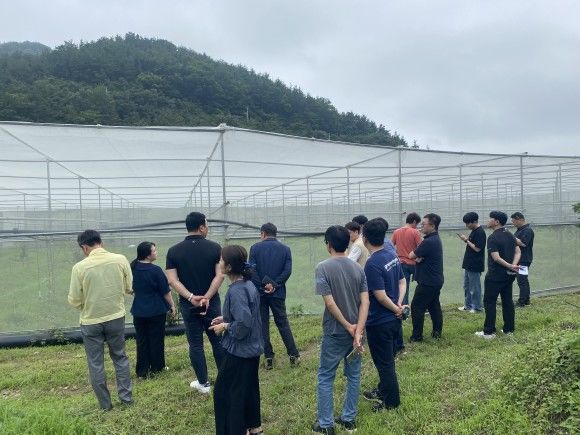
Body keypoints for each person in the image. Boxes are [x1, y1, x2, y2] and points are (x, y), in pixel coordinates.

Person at [312, 226, 369, 435]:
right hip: (357, 334)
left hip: (335, 331)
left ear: (328, 244)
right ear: (347, 243)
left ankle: (326, 424)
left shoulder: (323, 268)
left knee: (326, 376)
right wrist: (358, 330)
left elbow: (329, 303)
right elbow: (365, 301)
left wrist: (347, 326)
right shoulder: (358, 268)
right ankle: (349, 419)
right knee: (353, 375)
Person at [68, 230, 133, 410]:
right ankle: (126, 399)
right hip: (115, 317)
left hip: (90, 321)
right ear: (101, 242)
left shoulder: (79, 268)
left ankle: (105, 405)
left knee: (96, 363)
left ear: (84, 247)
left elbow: (74, 299)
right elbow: (129, 287)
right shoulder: (120, 259)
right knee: (120, 357)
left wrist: (86, 304)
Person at [166, 212, 224, 393]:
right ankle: (225, 380)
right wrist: (207, 296)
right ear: (201, 227)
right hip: (211, 303)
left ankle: (203, 383)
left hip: (188, 304)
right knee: (218, 340)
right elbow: (220, 275)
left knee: (196, 344)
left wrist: (191, 297)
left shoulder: (173, 251)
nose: (207, 229)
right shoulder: (215, 248)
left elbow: (172, 280)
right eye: (206, 225)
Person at [210, 245, 263, 435]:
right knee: (248, 391)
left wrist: (225, 327)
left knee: (225, 394)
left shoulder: (237, 291)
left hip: (239, 352)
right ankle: (254, 427)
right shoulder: (247, 284)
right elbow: (247, 315)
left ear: (230, 267)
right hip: (252, 349)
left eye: (222, 260)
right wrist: (226, 318)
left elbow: (243, 325)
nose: (219, 263)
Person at [362, 218, 406, 411]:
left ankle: (391, 402)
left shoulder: (372, 264)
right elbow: (402, 281)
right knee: (387, 358)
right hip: (394, 318)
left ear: (365, 239)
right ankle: (383, 389)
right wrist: (399, 304)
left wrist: (395, 308)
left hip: (380, 321)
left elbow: (379, 296)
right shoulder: (391, 254)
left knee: (384, 363)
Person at [249, 222, 299, 370]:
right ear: (275, 234)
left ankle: (269, 357)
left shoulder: (255, 248)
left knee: (263, 324)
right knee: (283, 323)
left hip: (260, 292)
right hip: (278, 293)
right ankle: (293, 355)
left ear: (263, 233)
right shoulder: (285, 249)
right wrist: (275, 285)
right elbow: (287, 271)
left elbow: (252, 271)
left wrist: (263, 286)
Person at [130, 241, 176, 378]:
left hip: (138, 310)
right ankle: (157, 367)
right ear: (148, 255)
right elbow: (165, 292)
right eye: (154, 251)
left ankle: (142, 370)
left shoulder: (132, 268)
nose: (156, 253)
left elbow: (130, 288)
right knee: (156, 339)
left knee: (142, 340)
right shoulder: (155, 270)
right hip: (156, 310)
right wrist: (172, 306)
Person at [476, 211, 521, 339]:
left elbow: (496, 258)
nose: (488, 220)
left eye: (490, 218)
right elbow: (518, 251)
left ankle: (489, 332)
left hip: (495, 276)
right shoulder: (510, 235)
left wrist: (510, 265)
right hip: (509, 275)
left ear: (496, 222)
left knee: (489, 301)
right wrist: (513, 265)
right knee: (507, 301)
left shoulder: (493, 238)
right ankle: (509, 330)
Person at [408, 213, 444, 342]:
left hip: (428, 282)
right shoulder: (433, 239)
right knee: (434, 305)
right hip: (435, 280)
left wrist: (417, 256)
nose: (420, 227)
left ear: (433, 226)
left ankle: (416, 336)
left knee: (417, 307)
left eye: (423, 224)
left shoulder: (429, 241)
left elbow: (412, 255)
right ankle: (437, 332)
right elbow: (418, 256)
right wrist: (418, 257)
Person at [457, 212, 486, 313]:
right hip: (468, 264)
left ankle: (477, 307)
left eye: (467, 223)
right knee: (467, 286)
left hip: (475, 264)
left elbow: (477, 248)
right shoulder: (474, 231)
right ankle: (468, 305)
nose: (467, 226)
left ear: (474, 222)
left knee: (475, 287)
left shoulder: (480, 232)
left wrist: (466, 240)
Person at [391, 212, 422, 305]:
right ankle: (422, 305)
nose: (417, 226)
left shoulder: (396, 232)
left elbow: (391, 246)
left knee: (404, 286)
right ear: (414, 221)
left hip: (402, 263)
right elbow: (421, 247)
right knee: (422, 284)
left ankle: (404, 308)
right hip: (414, 263)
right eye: (416, 224)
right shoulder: (415, 232)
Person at [511, 212, 535, 307]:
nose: (513, 223)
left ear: (520, 219)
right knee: (523, 279)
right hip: (520, 259)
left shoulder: (527, 231)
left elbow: (523, 243)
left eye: (514, 221)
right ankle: (526, 300)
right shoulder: (520, 230)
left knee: (522, 280)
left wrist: (510, 236)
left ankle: (522, 302)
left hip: (523, 259)